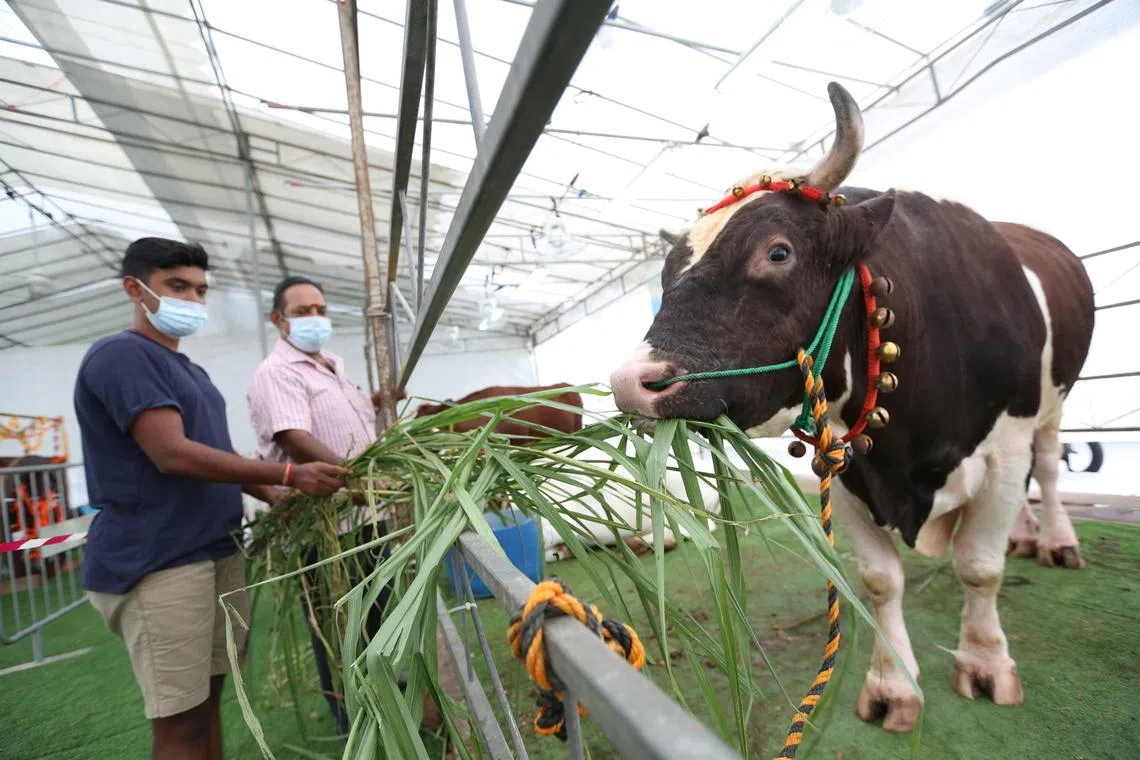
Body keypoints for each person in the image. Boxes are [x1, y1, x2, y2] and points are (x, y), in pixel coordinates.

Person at [74, 238, 351, 760]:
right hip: (160, 559)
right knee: (179, 721)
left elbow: (217, 456)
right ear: (134, 289)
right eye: (177, 286)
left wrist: (278, 495)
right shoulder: (121, 355)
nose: (193, 299)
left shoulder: (190, 372)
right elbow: (172, 454)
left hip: (213, 549)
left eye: (200, 290)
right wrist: (290, 473)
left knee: (207, 704)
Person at [246, 275, 405, 735]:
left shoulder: (332, 365)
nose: (315, 318)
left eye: (320, 309)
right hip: (325, 525)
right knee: (340, 629)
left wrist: (378, 404)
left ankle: (389, 706)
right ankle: (356, 723)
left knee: (378, 616)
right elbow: (295, 440)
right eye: (301, 312)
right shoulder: (278, 372)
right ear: (278, 320)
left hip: (365, 516)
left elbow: (348, 424)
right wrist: (359, 480)